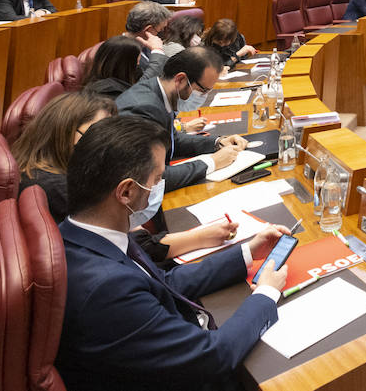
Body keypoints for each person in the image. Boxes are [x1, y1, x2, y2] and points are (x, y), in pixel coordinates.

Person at [55, 115, 288, 391]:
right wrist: (265, 296)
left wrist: (247, 252)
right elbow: (212, 359)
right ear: (127, 192)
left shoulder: (86, 233)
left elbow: (163, 284)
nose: (158, 188)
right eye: (157, 179)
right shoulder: (107, 289)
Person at [117, 47, 247, 190]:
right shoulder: (143, 109)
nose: (204, 97)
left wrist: (217, 142)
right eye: (203, 90)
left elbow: (172, 140)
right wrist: (213, 162)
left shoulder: (159, 93)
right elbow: (151, 177)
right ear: (180, 79)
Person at [13, 91, 117, 221]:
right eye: (97, 135)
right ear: (64, 132)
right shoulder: (59, 189)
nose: (105, 145)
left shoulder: (33, 166)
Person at [82, 36, 147, 99]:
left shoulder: (103, 81)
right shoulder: (109, 92)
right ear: (125, 65)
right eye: (136, 62)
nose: (138, 65)